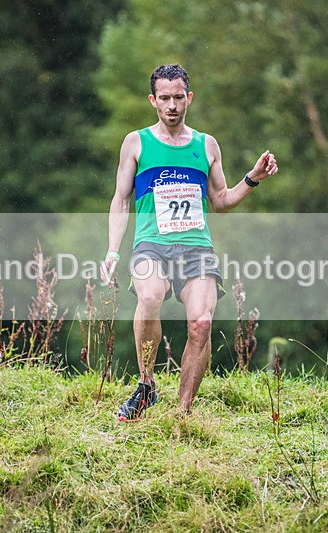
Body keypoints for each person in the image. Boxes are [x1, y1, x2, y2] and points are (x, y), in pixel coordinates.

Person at [103, 64, 278, 420]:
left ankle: (182, 414)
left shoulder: (206, 145)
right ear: (153, 100)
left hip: (197, 247)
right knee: (149, 297)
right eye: (164, 98)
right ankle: (147, 385)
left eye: (178, 98)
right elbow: (121, 199)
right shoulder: (136, 142)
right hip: (151, 242)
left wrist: (252, 178)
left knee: (200, 323)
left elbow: (222, 201)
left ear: (189, 99)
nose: (171, 105)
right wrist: (111, 250)